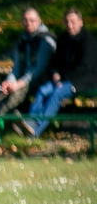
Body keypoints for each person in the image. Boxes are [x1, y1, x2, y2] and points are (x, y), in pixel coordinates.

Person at [21, 7, 97, 137]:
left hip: (83, 81)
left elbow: (85, 68)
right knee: (43, 90)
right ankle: (29, 122)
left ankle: (35, 130)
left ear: (81, 22)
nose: (69, 25)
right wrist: (55, 74)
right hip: (62, 80)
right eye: (67, 22)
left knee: (57, 94)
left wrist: (63, 80)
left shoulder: (89, 42)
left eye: (73, 22)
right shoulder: (63, 39)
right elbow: (55, 63)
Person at [0, 7, 56, 118]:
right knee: (2, 90)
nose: (28, 23)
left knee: (15, 93)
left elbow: (38, 70)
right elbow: (16, 67)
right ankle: (1, 124)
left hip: (40, 79)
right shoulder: (22, 41)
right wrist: (9, 81)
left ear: (39, 20)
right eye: (25, 20)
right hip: (22, 78)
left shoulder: (45, 40)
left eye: (32, 20)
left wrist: (18, 84)